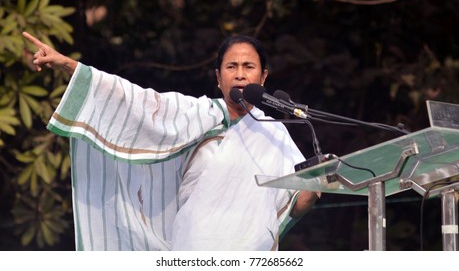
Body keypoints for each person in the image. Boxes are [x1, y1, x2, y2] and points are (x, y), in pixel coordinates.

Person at [23, 31, 320, 250]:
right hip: (193, 249)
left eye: (248, 67)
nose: (240, 75)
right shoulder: (194, 113)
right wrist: (68, 66)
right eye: (232, 67)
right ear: (218, 77)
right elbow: (135, 101)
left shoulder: (274, 132)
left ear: (263, 77)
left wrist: (320, 182)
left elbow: (291, 204)